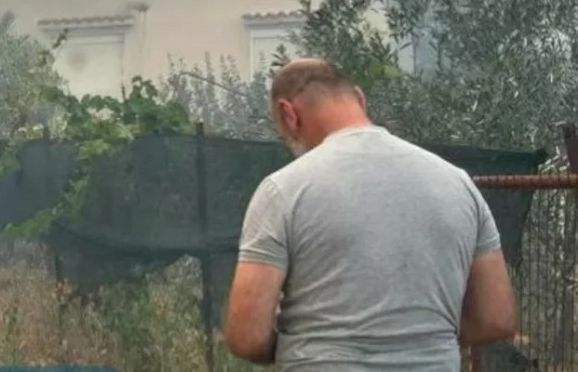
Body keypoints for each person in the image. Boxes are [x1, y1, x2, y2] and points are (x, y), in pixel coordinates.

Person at [222, 57, 518, 370]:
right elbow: (496, 318)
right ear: (360, 98)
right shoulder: (459, 184)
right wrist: (423, 341)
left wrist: (303, 346)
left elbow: (247, 337)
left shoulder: (281, 191)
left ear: (288, 114)